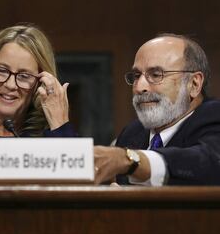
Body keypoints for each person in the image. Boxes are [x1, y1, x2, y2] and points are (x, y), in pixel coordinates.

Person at [94, 33, 220, 186]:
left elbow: (208, 163)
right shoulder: (132, 133)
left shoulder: (214, 117)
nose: (140, 87)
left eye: (155, 74)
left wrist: (129, 160)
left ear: (193, 84)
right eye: (136, 75)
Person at [0, 24, 76, 137]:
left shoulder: (51, 139)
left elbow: (72, 158)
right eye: (2, 70)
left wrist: (60, 124)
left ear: (40, 83)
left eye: (24, 76)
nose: (10, 85)